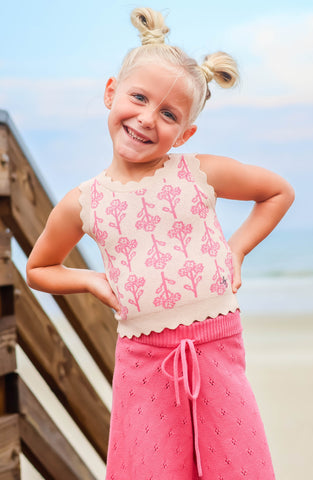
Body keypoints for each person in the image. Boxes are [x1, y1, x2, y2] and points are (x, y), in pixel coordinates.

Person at [26, 7, 294, 480]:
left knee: (239, 466)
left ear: (185, 132)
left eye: (168, 113)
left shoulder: (199, 172)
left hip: (218, 349)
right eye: (138, 97)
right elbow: (39, 268)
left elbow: (277, 192)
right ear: (112, 92)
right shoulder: (82, 203)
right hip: (144, 364)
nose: (148, 119)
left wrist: (236, 249)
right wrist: (89, 280)